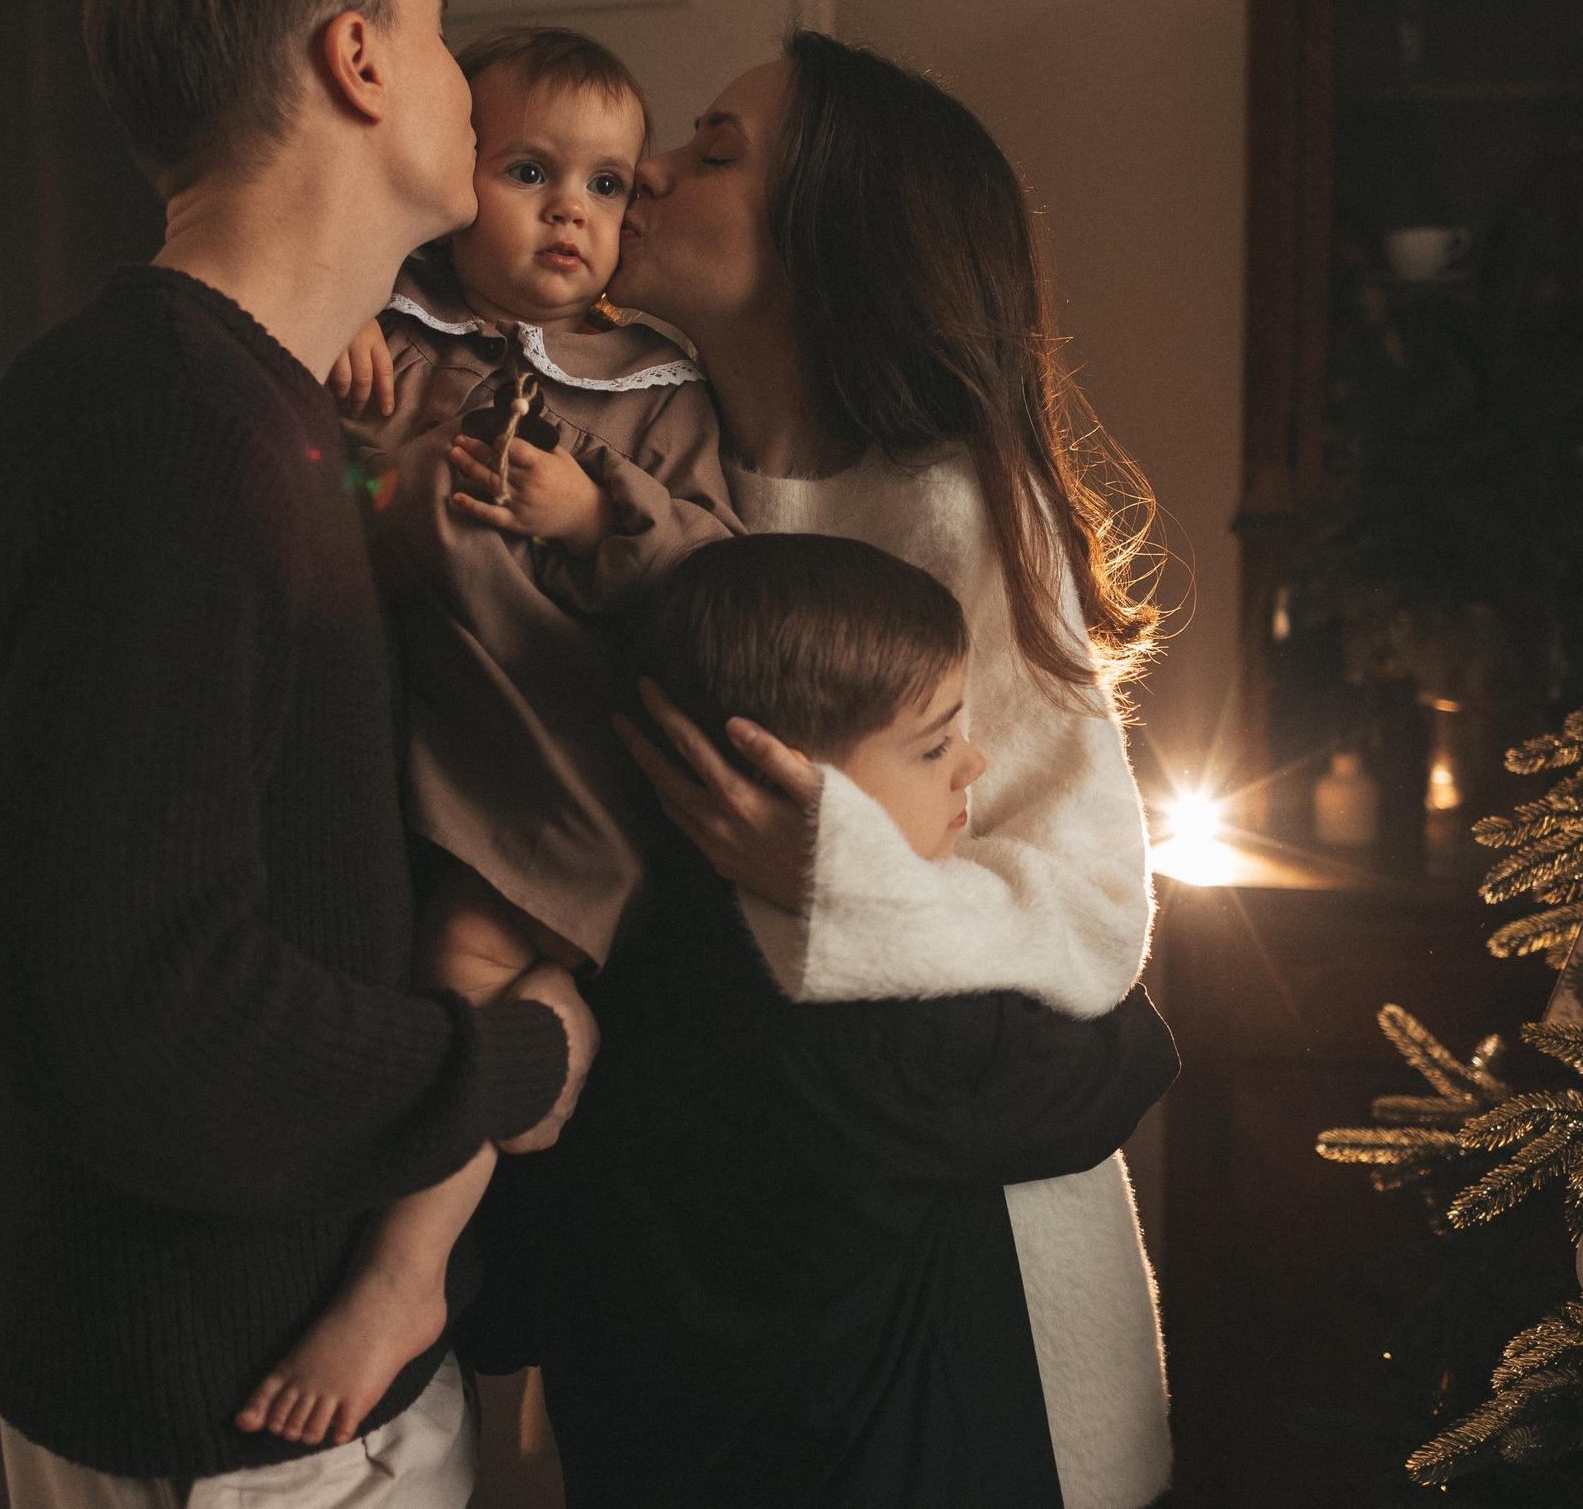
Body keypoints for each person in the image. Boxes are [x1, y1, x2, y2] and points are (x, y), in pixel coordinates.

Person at [0, 0, 596, 1508]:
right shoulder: (168, 441)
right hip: (243, 1409)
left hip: (226, 1367)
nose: (459, 74)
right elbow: (146, 1010)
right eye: (437, 35)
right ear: (356, 65)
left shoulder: (240, 409)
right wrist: (515, 1064)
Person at [496, 33, 1176, 1507]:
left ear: (838, 233)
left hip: (940, 1293)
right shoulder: (626, 466)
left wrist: (827, 862)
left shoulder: (962, 512)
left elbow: (1091, 913)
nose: (649, 170)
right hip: (693, 1275)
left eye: (717, 148)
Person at [235, 26, 739, 1448]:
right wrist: (340, 400)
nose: (571, 210)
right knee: (413, 971)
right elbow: (321, 514)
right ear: (460, 182)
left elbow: (722, 571)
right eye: (529, 171)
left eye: (608, 182)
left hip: (564, 749)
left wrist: (597, 515)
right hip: (415, 732)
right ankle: (552, 1033)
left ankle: (403, 1280)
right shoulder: (392, 333)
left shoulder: (657, 388)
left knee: (458, 970)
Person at [477, 532, 1175, 1506]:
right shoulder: (864, 1020)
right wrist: (865, 880)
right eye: (932, 742)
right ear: (766, 772)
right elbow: (1129, 1057)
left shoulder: (609, 944)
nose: (971, 764)